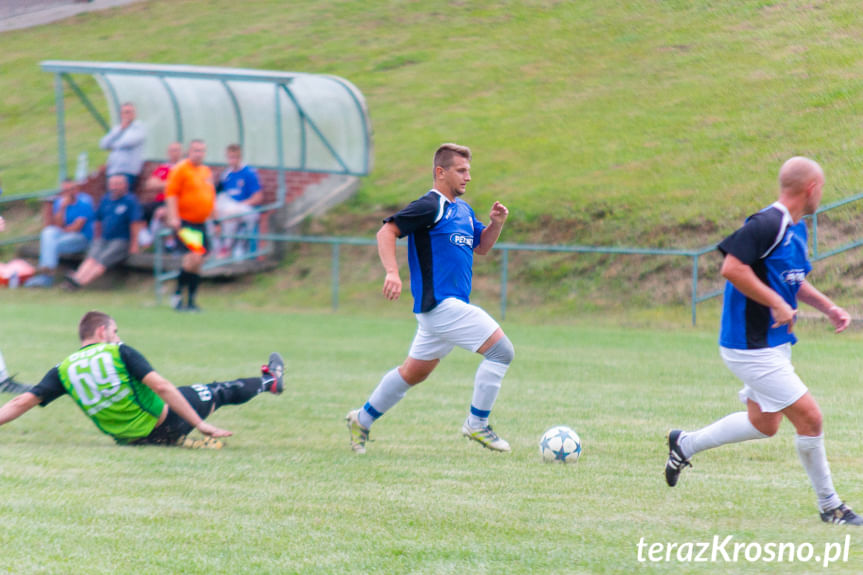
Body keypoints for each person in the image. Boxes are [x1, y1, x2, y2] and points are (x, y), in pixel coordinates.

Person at [664, 157, 862, 525]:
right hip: (749, 346)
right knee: (811, 418)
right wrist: (774, 303)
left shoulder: (797, 229)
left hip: (774, 344)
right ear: (812, 189)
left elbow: (792, 279)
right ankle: (830, 506)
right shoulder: (767, 223)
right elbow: (732, 267)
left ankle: (684, 444)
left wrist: (829, 306)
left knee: (764, 424)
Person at [345, 143, 514, 454]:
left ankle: (362, 419)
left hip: (443, 311)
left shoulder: (463, 210)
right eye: (461, 171)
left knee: (413, 373)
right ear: (441, 172)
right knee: (502, 352)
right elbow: (387, 231)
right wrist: (392, 272)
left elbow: (482, 247)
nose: (468, 177)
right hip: (441, 305)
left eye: (469, 171)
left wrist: (496, 225)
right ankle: (476, 424)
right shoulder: (429, 206)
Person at [0, 311, 285, 447]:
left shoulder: (62, 369)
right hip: (164, 424)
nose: (118, 336)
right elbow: (161, 386)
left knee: (188, 396)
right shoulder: (118, 352)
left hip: (128, 440)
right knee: (219, 390)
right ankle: (270, 381)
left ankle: (177, 441)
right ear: (102, 332)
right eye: (115, 331)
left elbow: (20, 402)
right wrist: (200, 424)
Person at [64, 175, 143, 289]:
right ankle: (76, 278)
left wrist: (134, 245)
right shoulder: (105, 199)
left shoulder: (130, 201)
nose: (115, 187)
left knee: (102, 260)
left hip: (121, 240)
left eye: (118, 184)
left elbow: (135, 223)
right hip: (104, 239)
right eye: (113, 184)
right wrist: (97, 237)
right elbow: (98, 220)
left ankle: (80, 283)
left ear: (125, 185)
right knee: (91, 258)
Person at [165, 139, 215, 312]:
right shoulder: (181, 169)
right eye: (195, 150)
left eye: (202, 150)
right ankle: (178, 296)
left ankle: (191, 300)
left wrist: (215, 219)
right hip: (185, 221)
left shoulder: (206, 171)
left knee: (198, 261)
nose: (198, 153)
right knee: (193, 257)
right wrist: (173, 217)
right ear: (189, 151)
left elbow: (209, 196)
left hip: (200, 223)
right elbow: (171, 194)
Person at [24, 179, 95, 288]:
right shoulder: (61, 202)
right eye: (65, 190)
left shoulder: (85, 201)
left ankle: (46, 277)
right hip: (64, 237)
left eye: (71, 189)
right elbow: (56, 226)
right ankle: (47, 272)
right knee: (48, 232)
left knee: (50, 244)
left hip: (82, 239)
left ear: (77, 189)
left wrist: (62, 230)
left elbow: (76, 228)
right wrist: (62, 208)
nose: (68, 193)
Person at [212, 143, 263, 258]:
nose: (232, 160)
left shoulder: (249, 173)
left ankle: (227, 247)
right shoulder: (226, 174)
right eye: (230, 157)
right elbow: (220, 195)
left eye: (235, 157)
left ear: (240, 157)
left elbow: (258, 197)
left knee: (231, 213)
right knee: (211, 214)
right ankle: (215, 249)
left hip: (248, 209)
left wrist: (240, 205)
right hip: (230, 208)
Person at [139, 141, 183, 250]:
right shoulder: (163, 168)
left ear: (182, 152)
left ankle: (170, 243)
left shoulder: (184, 168)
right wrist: (170, 184)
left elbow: (182, 186)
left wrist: (162, 184)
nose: (174, 153)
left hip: (177, 202)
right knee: (139, 209)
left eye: (176, 150)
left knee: (163, 213)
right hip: (160, 200)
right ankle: (146, 239)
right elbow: (150, 184)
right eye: (172, 150)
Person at [99, 102, 146, 193]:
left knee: (125, 196)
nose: (128, 115)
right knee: (113, 198)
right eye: (125, 112)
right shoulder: (117, 129)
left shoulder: (139, 128)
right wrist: (120, 130)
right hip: (113, 171)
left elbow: (126, 142)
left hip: (128, 172)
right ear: (121, 114)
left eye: (130, 112)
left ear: (135, 114)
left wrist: (112, 144)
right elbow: (103, 144)